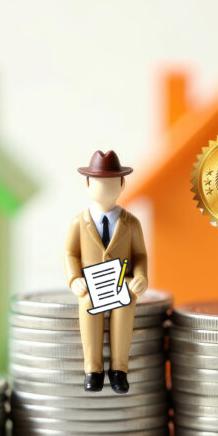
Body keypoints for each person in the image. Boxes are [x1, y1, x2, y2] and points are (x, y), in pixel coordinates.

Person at [64, 150, 148, 394]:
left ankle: (119, 369)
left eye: (111, 182)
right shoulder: (78, 222)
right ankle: (93, 369)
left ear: (122, 184)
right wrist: (74, 279)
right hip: (92, 283)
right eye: (99, 182)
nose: (105, 187)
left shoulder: (131, 223)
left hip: (121, 281)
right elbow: (70, 253)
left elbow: (140, 255)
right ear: (88, 184)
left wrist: (140, 277)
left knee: (125, 304)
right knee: (89, 304)